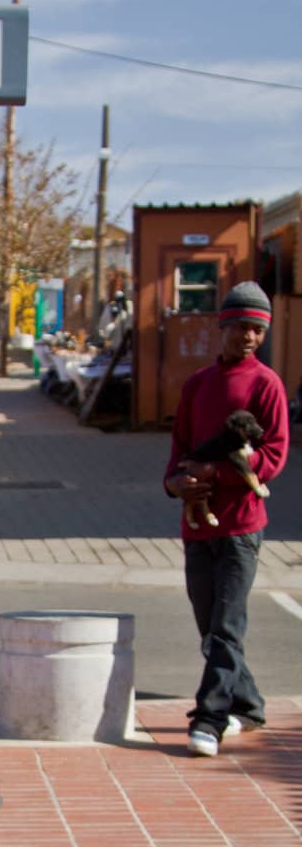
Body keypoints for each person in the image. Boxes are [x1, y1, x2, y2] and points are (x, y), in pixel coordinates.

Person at [164, 281, 288, 757]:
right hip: (197, 525)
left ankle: (211, 718)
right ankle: (249, 705)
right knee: (208, 626)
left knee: (226, 627)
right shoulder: (197, 385)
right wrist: (174, 483)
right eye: (240, 327)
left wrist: (219, 471)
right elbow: (178, 451)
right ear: (223, 327)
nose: (249, 337)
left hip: (242, 526)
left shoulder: (267, 384)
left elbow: (274, 454)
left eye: (257, 329)